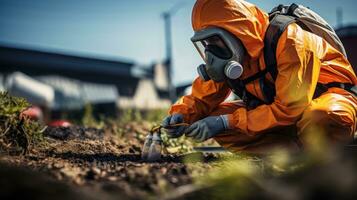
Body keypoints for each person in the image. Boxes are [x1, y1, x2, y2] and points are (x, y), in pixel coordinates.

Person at [162, 0, 357, 154]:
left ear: (237, 32)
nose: (210, 51)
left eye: (214, 40)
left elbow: (290, 108)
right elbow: (200, 98)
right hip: (283, 111)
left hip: (327, 99)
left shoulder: (291, 41)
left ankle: (322, 151)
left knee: (321, 116)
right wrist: (181, 116)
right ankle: (292, 152)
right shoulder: (235, 55)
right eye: (206, 43)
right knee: (210, 118)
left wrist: (226, 122)